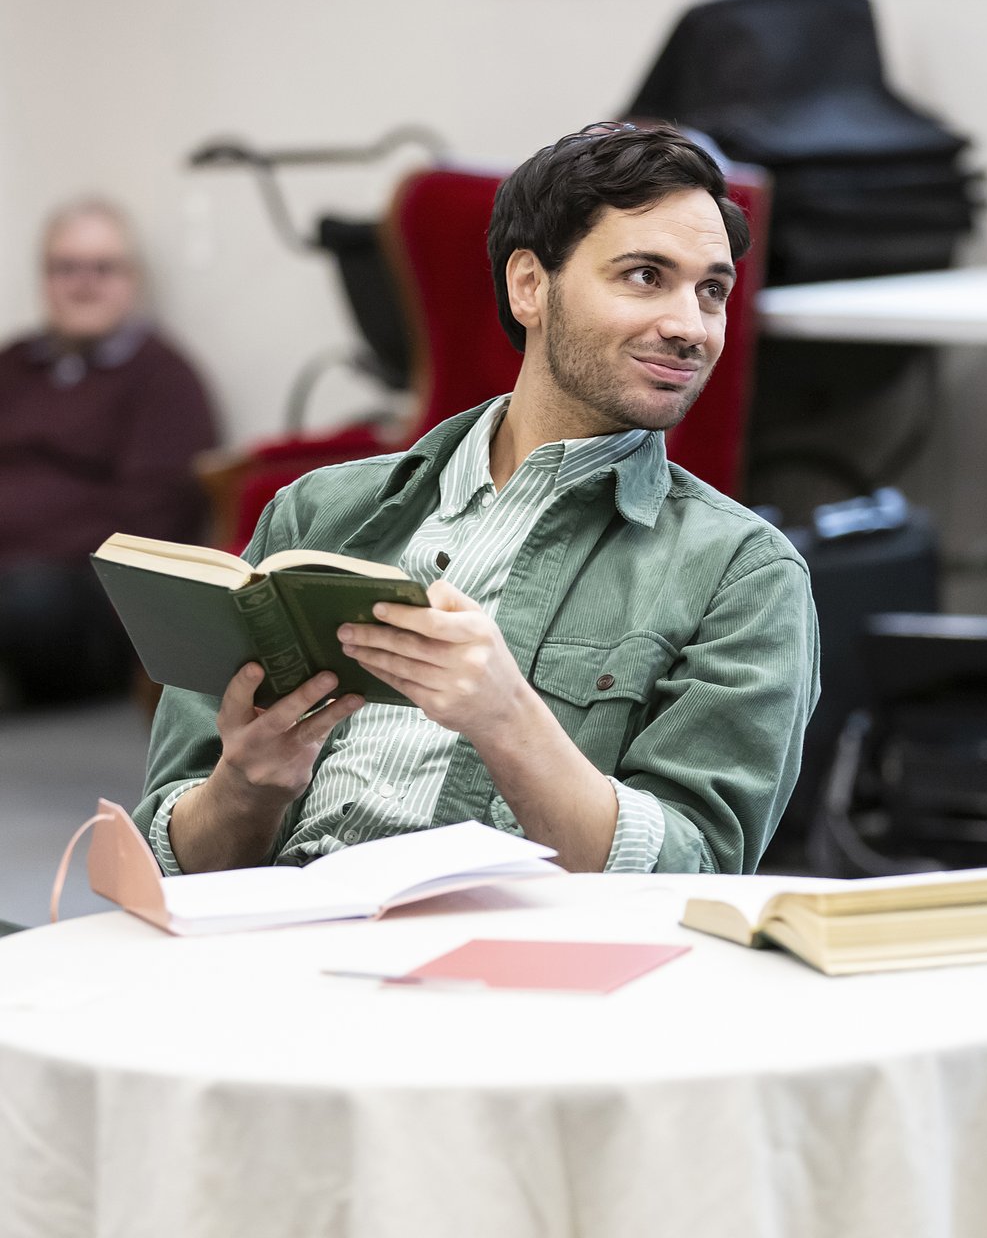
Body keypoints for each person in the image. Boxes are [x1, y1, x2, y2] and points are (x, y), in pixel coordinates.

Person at [135, 122, 819, 876]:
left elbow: (696, 877)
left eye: (712, 291)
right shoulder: (315, 514)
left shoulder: (745, 576)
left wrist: (508, 721)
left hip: (506, 968)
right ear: (530, 286)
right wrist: (247, 787)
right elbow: (171, 864)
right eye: (645, 276)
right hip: (272, 944)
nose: (689, 326)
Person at [0, 198, 217, 707]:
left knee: (32, 597)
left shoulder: (164, 377)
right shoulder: (12, 364)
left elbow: (153, 517)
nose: (84, 283)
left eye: (103, 268)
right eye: (66, 268)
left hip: (88, 587)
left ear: (132, 280)